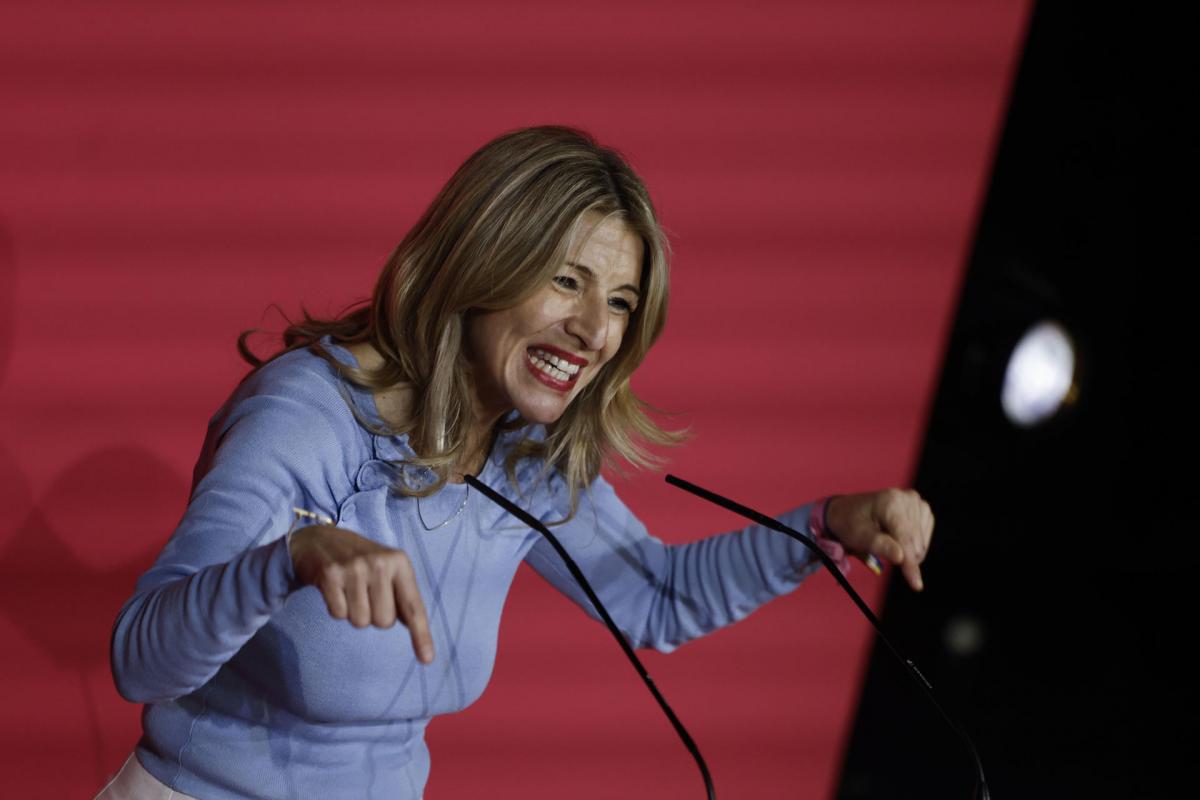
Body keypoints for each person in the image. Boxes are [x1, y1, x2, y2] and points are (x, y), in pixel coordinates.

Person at [98, 126, 934, 800]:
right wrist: (287, 562)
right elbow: (140, 656)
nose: (594, 331)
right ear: (481, 262)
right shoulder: (309, 418)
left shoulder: (522, 456)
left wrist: (825, 526)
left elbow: (658, 596)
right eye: (566, 282)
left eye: (619, 303)